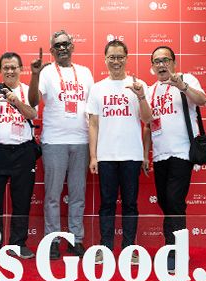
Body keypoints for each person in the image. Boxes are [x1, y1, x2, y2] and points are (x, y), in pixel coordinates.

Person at [29, 30, 96, 260]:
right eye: (57, 46)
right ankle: (53, 240)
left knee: (78, 195)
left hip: (81, 141)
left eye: (66, 44)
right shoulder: (46, 72)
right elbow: (33, 101)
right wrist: (35, 75)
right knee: (52, 196)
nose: (62, 48)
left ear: (72, 46)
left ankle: (76, 240)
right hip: (54, 142)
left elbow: (93, 110)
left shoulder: (86, 73)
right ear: (52, 51)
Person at [87, 39, 152, 263]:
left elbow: (147, 119)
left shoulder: (138, 84)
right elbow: (93, 124)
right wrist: (93, 156)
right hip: (106, 156)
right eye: (112, 57)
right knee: (106, 204)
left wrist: (141, 95)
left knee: (130, 204)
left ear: (127, 58)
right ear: (105, 59)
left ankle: (128, 249)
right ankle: (105, 248)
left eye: (120, 57)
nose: (116, 61)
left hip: (131, 155)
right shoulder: (97, 88)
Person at [146, 46, 206, 272]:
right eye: (156, 61)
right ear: (152, 66)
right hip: (161, 154)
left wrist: (182, 86)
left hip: (183, 153)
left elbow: (202, 100)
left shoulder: (186, 79)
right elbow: (148, 125)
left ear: (173, 62)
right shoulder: (151, 90)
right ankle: (174, 247)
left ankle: (174, 251)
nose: (161, 64)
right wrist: (147, 155)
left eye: (165, 60)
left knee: (173, 200)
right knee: (167, 201)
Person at [0, 52, 40, 261]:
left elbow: (32, 114)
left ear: (21, 69)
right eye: (6, 67)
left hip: (23, 152)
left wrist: (16, 102)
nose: (10, 71)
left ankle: (17, 244)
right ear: (0, 70)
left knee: (22, 201)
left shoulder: (28, 91)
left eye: (14, 67)